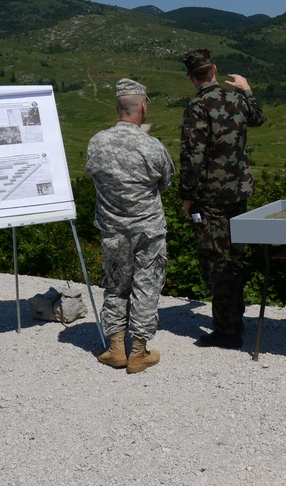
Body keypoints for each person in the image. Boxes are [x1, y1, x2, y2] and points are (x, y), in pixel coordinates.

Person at [86, 78, 175, 374]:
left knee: (115, 285)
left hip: (112, 229)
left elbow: (94, 177)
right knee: (146, 286)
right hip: (148, 230)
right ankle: (138, 352)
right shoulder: (151, 146)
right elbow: (166, 182)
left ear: (117, 108)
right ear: (144, 108)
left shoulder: (96, 141)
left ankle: (115, 349)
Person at [179, 49, 266, 348]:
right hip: (238, 192)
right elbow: (259, 118)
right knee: (235, 258)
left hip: (211, 196)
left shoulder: (197, 106)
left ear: (192, 77)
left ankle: (227, 331)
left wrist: (188, 196)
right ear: (215, 70)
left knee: (216, 262)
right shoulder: (238, 100)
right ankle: (233, 320)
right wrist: (247, 88)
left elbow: (193, 156)